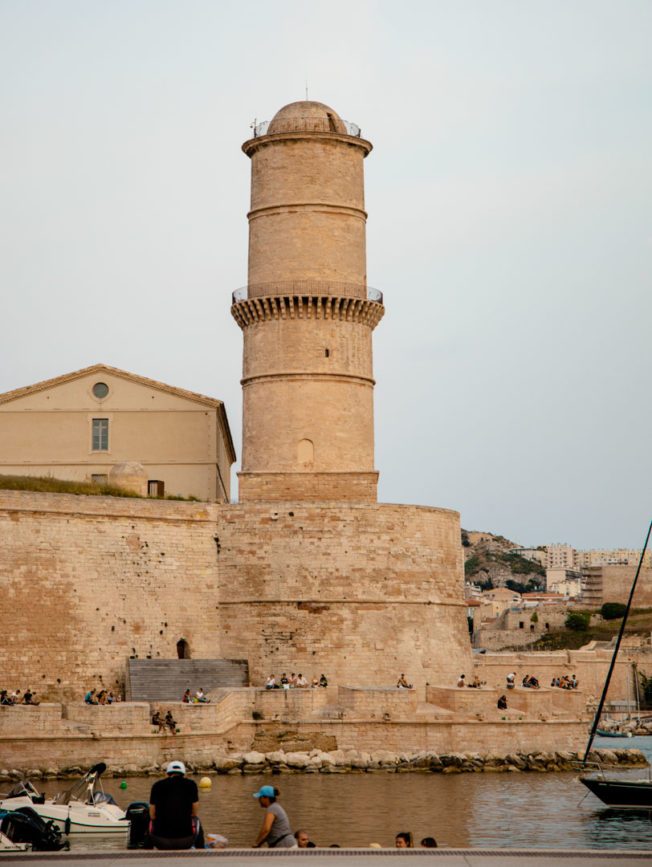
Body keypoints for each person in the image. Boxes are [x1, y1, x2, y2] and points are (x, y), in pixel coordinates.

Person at [149, 760, 200, 850]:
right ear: (183, 773)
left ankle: (146, 849)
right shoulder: (191, 785)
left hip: (161, 842)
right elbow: (195, 811)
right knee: (196, 820)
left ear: (168, 773)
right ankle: (201, 848)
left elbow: (152, 814)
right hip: (185, 841)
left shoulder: (157, 785)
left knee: (149, 821)